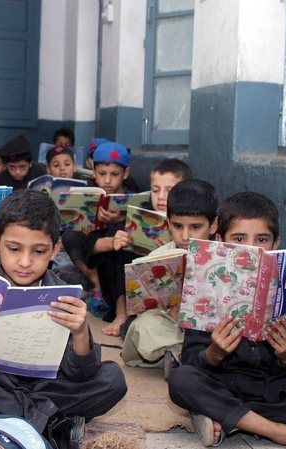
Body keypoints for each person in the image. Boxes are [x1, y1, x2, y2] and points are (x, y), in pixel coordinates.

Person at [0, 190, 127, 449]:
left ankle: (4, 418)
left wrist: (81, 332)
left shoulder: (65, 296)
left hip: (46, 386)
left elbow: (81, 373)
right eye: (14, 249)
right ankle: (45, 422)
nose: (25, 262)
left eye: (39, 251)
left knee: (112, 379)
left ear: (55, 250)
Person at [168, 192, 286, 448]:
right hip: (225, 382)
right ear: (220, 240)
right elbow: (192, 359)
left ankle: (229, 417)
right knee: (182, 380)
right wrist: (215, 353)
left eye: (262, 239)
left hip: (275, 389)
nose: (252, 247)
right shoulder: (206, 285)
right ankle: (283, 432)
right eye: (239, 238)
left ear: (276, 243)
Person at [120, 180, 218, 373]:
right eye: (178, 226)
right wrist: (167, 311)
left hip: (209, 331)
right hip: (174, 329)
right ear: (167, 224)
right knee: (144, 324)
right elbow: (143, 304)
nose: (185, 235)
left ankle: (184, 358)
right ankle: (179, 356)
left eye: (195, 227)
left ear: (213, 225)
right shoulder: (156, 259)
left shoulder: (222, 257)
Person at [100, 156, 192, 337]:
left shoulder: (188, 219)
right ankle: (121, 314)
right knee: (122, 252)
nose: (161, 197)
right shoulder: (142, 214)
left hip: (173, 294)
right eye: (155, 190)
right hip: (138, 288)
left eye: (169, 190)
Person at [81, 142, 137, 336]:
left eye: (114, 174)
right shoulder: (88, 195)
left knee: (121, 241)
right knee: (75, 236)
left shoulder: (135, 197)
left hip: (121, 255)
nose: (107, 180)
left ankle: (122, 312)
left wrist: (120, 220)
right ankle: (98, 289)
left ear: (126, 173)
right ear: (93, 171)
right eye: (102, 173)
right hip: (99, 255)